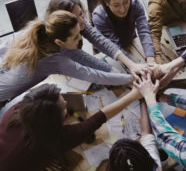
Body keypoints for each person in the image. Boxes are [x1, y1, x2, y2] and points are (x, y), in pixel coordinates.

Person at [0, 83, 141, 171]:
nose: (66, 103)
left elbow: (17, 150)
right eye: (64, 108)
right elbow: (98, 118)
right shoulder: (54, 140)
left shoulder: (15, 111)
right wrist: (135, 94)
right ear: (51, 123)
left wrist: (36, 161)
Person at [0, 10, 132, 103]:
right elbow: (94, 76)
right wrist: (130, 78)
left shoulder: (34, 33)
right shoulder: (56, 61)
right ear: (59, 42)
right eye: (75, 37)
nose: (80, 38)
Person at [46, 0, 148, 77]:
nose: (82, 21)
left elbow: (100, 40)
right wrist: (120, 76)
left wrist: (131, 64)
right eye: (75, 19)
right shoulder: (59, 41)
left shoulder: (79, 22)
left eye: (81, 14)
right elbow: (84, 58)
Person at [92, 0, 156, 65]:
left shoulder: (135, 5)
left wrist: (150, 58)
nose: (122, 9)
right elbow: (114, 47)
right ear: (107, 3)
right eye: (116, 5)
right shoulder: (99, 16)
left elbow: (144, 31)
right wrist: (135, 66)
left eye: (125, 2)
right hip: (108, 49)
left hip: (130, 41)